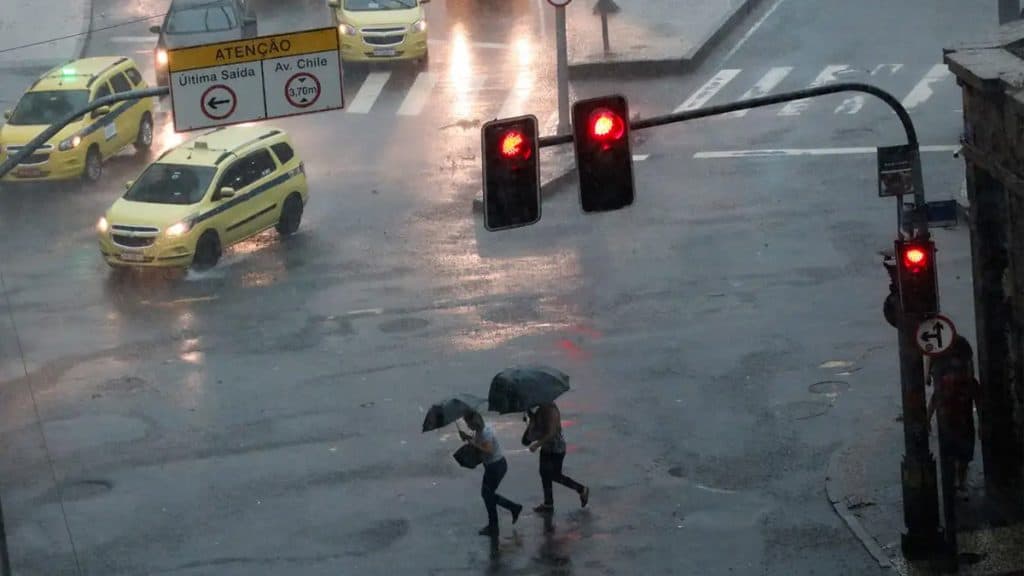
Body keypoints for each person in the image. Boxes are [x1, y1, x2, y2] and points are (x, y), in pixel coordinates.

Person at [926, 334, 980, 494]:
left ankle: (959, 482)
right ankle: (958, 482)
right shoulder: (954, 382)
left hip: (957, 422)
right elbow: (935, 398)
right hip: (954, 422)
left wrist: (928, 418)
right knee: (958, 455)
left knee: (960, 455)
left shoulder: (966, 383)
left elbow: (935, 398)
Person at [460, 411, 522, 536]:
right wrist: (467, 437)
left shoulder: (485, 432)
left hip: (496, 466)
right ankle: (499, 520)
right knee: (488, 494)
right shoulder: (480, 431)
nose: (467, 425)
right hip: (493, 466)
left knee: (487, 495)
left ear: (474, 421)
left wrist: (473, 443)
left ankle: (509, 512)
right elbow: (480, 443)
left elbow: (488, 450)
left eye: (468, 423)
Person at [525, 403, 589, 513]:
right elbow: (533, 434)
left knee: (554, 475)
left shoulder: (551, 410)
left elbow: (551, 433)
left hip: (556, 448)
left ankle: (581, 489)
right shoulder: (539, 410)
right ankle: (548, 503)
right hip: (546, 448)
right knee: (544, 474)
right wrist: (531, 418)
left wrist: (537, 444)